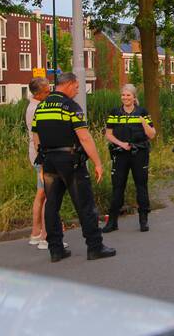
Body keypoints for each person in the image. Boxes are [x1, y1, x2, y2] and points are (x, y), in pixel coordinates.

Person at [31, 73, 116, 262]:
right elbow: (84, 137)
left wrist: (43, 158)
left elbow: (35, 136)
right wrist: (98, 163)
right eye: (77, 87)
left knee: (52, 205)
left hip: (49, 161)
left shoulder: (41, 107)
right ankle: (95, 247)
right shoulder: (70, 106)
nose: (77, 91)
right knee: (85, 205)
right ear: (68, 85)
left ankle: (55, 249)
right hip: (70, 161)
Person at [103, 84, 156, 233]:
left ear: (134, 97)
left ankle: (143, 219)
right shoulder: (115, 112)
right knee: (118, 186)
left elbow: (152, 134)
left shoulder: (142, 112)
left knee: (141, 185)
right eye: (123, 95)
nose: (125, 98)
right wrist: (122, 144)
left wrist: (142, 122)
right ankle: (112, 222)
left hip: (139, 153)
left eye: (128, 95)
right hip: (120, 153)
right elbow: (108, 134)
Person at [25, 77, 54, 250]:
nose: (49, 93)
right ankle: (46, 236)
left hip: (36, 154)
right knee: (49, 195)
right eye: (46, 91)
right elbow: (39, 136)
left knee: (41, 193)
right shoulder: (37, 109)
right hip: (41, 155)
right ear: (38, 93)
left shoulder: (32, 106)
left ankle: (35, 233)